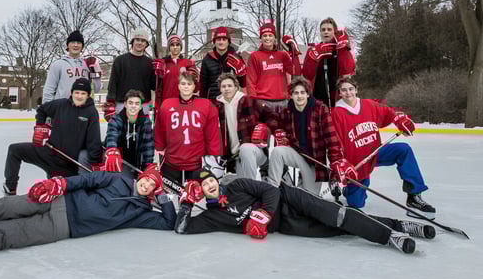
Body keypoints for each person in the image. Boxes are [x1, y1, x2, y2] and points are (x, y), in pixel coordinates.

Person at [0, 169, 175, 265]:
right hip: (57, 199)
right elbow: (87, 179)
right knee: (3, 207)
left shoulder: (138, 212)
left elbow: (168, 222)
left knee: (1, 235)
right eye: (148, 181)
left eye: (153, 186)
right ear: (142, 177)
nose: (147, 186)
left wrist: (164, 198)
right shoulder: (118, 179)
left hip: (59, 227)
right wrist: (60, 185)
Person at [174, 169, 436, 254]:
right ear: (198, 190)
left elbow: (272, 190)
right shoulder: (210, 216)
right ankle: (397, 224)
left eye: (210, 180)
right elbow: (183, 228)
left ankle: (391, 236)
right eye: (202, 185)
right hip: (286, 225)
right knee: (336, 229)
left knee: (338, 215)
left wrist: (263, 214)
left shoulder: (237, 185)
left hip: (291, 199)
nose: (209, 185)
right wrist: (186, 203)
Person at [331, 77, 436, 219]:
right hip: (356, 165)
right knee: (356, 204)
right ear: (339, 93)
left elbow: (390, 112)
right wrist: (341, 163)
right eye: (344, 90)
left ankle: (414, 196)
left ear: (356, 89)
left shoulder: (369, 105)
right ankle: (348, 191)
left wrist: (400, 119)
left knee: (403, 150)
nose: (348, 92)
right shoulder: (337, 113)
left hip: (376, 153)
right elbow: (335, 142)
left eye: (351, 89)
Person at [3, 78, 102, 195]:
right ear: (72, 93)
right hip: (48, 153)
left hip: (67, 165)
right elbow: (42, 110)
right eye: (77, 92)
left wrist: (95, 163)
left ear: (88, 95)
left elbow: (93, 141)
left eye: (83, 93)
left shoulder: (91, 112)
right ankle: (11, 189)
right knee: (14, 150)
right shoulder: (61, 104)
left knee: (57, 199)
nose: (79, 96)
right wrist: (40, 126)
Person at [265, 76, 349, 194]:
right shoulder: (287, 110)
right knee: (277, 152)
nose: (299, 96)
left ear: (308, 94)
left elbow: (331, 138)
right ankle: (272, 190)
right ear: (291, 95)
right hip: (298, 153)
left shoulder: (320, 109)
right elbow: (273, 119)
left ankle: (304, 181)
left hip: (314, 160)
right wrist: (277, 130)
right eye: (296, 93)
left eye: (302, 92)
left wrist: (336, 161)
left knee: (310, 197)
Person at [154, 73, 221, 185]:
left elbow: (213, 136)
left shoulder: (206, 105)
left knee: (197, 199)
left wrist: (214, 157)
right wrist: (159, 150)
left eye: (189, 84)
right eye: (183, 83)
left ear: (194, 86)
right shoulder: (166, 104)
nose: (186, 86)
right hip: (171, 163)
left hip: (197, 165)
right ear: (178, 86)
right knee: (168, 197)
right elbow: (159, 131)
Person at [246, 23, 300, 113]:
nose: (267, 38)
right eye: (264, 36)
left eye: (270, 35)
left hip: (283, 101)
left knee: (283, 127)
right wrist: (253, 103)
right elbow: (250, 81)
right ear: (261, 38)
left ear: (274, 38)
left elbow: (296, 72)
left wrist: (294, 52)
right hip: (263, 101)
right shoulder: (254, 56)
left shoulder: (282, 55)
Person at [104, 28, 155, 122]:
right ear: (132, 41)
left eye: (143, 41)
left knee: (142, 135)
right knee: (119, 134)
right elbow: (113, 83)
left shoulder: (150, 63)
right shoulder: (120, 60)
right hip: (122, 104)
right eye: (137, 40)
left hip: (143, 105)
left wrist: (159, 75)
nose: (140, 43)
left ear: (146, 44)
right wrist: (110, 102)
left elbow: (154, 86)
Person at [302, 17, 356, 108]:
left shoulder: (341, 49)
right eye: (323, 30)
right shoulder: (313, 49)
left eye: (329, 29)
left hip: (338, 97)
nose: (326, 32)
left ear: (334, 32)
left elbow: (348, 71)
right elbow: (307, 75)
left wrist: (343, 49)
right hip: (317, 97)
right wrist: (314, 58)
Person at [104, 89, 155, 178]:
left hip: (135, 163)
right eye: (130, 103)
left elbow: (148, 147)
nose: (133, 106)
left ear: (140, 106)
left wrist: (147, 166)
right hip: (117, 161)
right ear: (125, 104)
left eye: (136, 103)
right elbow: (112, 137)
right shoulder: (115, 120)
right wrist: (112, 150)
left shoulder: (145, 122)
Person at [42, 30, 102, 104]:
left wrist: (95, 69)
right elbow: (49, 90)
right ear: (68, 45)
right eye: (73, 42)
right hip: (62, 109)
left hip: (83, 109)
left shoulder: (87, 64)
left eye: (79, 43)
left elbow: (96, 89)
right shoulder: (58, 64)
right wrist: (47, 109)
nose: (75, 45)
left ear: (82, 46)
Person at [153, 34, 199, 112]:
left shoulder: (188, 63)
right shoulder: (163, 63)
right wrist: (158, 107)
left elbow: (196, 89)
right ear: (169, 47)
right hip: (167, 104)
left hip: (184, 104)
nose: (175, 47)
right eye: (172, 45)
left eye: (177, 45)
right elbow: (158, 88)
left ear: (181, 47)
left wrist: (195, 78)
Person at [200, 27, 246, 101]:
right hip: (213, 101)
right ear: (214, 41)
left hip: (232, 101)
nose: (221, 42)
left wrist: (241, 71)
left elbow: (244, 84)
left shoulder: (236, 58)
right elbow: (203, 85)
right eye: (218, 39)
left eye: (224, 39)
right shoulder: (207, 59)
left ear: (228, 41)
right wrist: (203, 102)